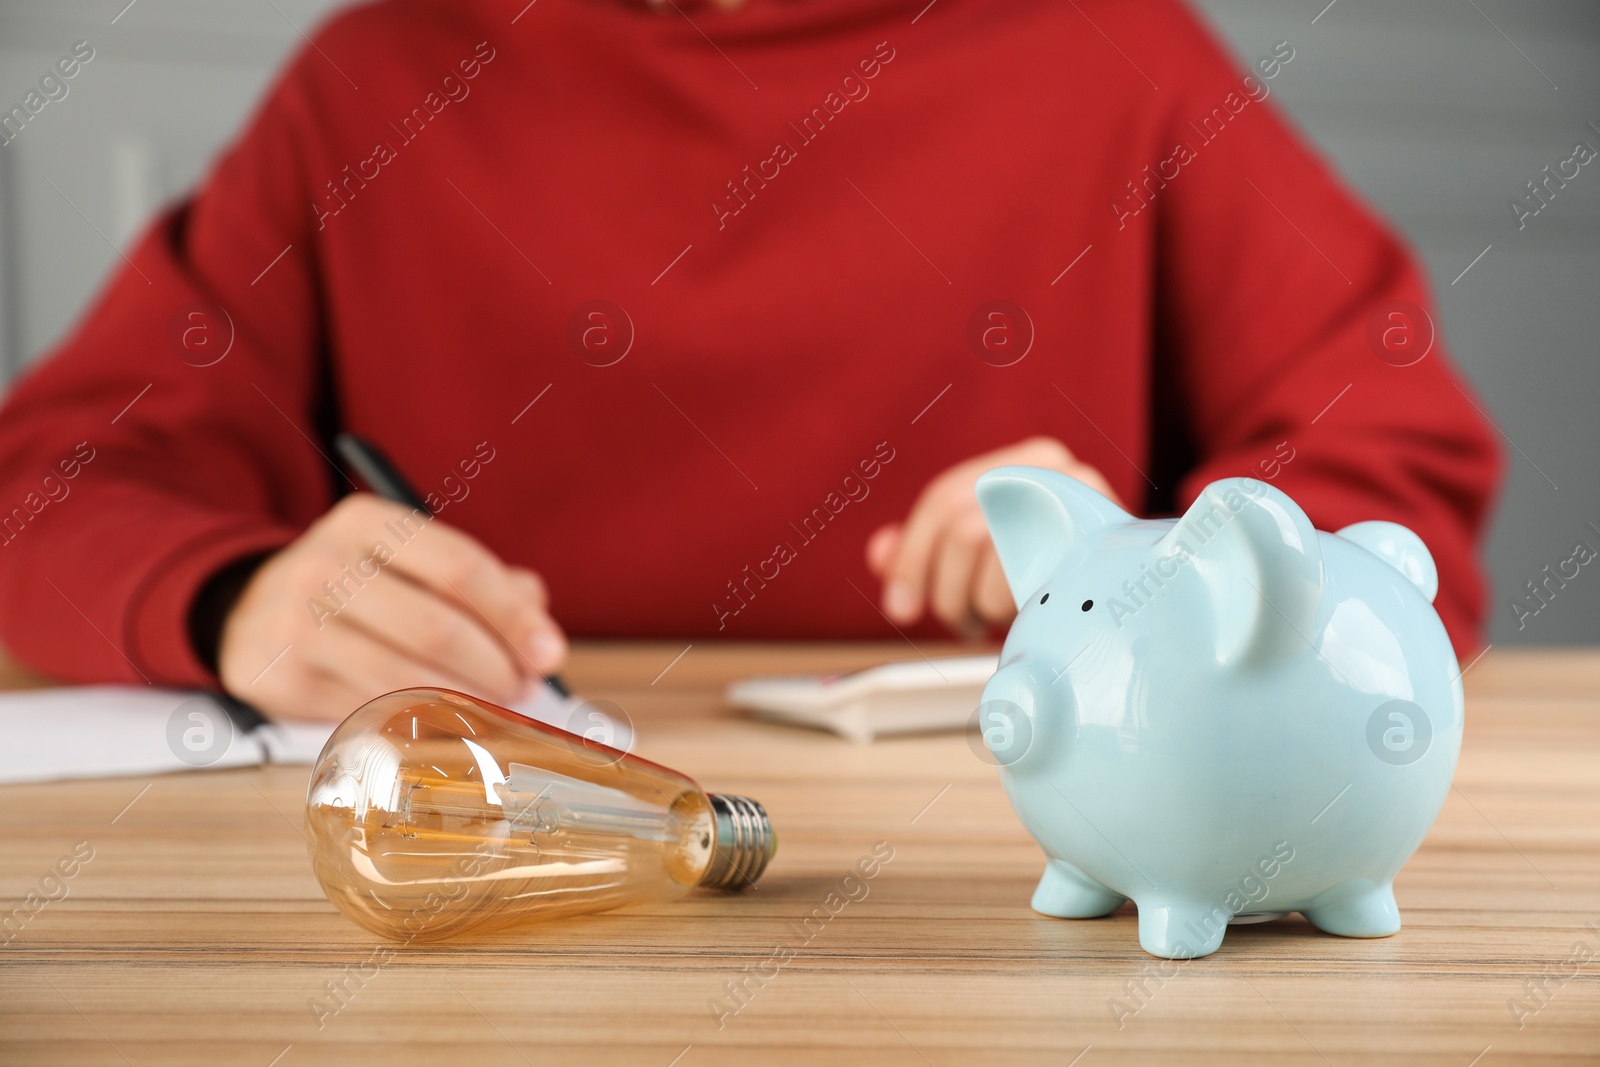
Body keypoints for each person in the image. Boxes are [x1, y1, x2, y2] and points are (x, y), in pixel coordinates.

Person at [0, 0, 1499, 722]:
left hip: (1039, 875)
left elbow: (1395, 481)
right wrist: (229, 603)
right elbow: (52, 485)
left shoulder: (1121, 53)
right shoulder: (376, 79)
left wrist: (1157, 564)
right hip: (504, 850)